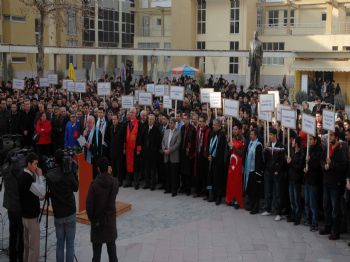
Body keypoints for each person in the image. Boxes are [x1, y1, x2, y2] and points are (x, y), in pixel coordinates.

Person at [46, 150, 79, 262]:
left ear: (55, 160)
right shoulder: (69, 174)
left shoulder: (50, 175)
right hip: (70, 213)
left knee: (59, 243)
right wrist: (74, 172)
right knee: (70, 243)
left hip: (58, 214)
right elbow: (76, 187)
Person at [86, 157, 119, 262]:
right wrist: (110, 174)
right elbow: (115, 191)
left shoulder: (94, 185)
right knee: (112, 253)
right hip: (110, 222)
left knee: (96, 254)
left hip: (97, 223)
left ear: (98, 169)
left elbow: (89, 206)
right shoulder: (114, 182)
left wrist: (92, 220)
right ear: (108, 168)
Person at [320, 128, 347, 240]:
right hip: (326, 182)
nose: (329, 137)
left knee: (335, 209)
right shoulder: (327, 148)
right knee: (326, 206)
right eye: (329, 135)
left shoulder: (340, 150)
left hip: (335, 184)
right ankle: (328, 226)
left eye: (331, 136)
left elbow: (343, 167)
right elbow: (322, 161)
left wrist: (331, 165)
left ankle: (335, 231)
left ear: (336, 137)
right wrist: (324, 166)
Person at [18, 153, 46, 262]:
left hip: (24, 215)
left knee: (27, 245)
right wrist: (40, 176)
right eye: (35, 164)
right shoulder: (27, 178)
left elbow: (30, 194)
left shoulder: (22, 175)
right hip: (31, 217)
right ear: (29, 164)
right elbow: (41, 192)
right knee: (34, 247)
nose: (36, 167)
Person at [262, 128, 286, 221]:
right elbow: (265, 159)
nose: (270, 137)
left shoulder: (281, 146)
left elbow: (282, 161)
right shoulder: (268, 146)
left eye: (271, 135)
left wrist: (277, 170)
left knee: (277, 193)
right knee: (268, 191)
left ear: (275, 135)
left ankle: (278, 212)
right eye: (269, 135)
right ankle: (268, 209)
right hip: (268, 172)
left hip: (276, 173)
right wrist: (265, 150)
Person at [304, 135, 322, 231]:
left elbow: (317, 165)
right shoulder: (309, 149)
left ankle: (315, 223)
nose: (309, 141)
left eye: (311, 139)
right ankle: (308, 219)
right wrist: (305, 166)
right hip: (307, 179)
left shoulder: (318, 150)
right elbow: (306, 163)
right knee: (307, 201)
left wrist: (309, 161)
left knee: (313, 203)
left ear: (315, 140)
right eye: (309, 139)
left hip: (314, 180)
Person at [244, 128, 264, 214]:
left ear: (256, 135)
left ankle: (256, 208)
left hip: (255, 170)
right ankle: (251, 205)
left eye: (252, 134)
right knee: (251, 190)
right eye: (250, 134)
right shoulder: (250, 143)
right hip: (249, 170)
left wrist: (257, 172)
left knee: (255, 191)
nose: (250, 136)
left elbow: (259, 160)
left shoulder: (258, 145)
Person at [206, 119, 227, 205]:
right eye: (213, 125)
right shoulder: (212, 134)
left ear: (219, 126)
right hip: (211, 160)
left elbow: (220, 149)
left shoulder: (222, 135)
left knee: (218, 179)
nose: (213, 126)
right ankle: (212, 195)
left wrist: (213, 157)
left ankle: (219, 197)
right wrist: (208, 154)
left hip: (218, 161)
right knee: (211, 178)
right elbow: (208, 145)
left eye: (214, 125)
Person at [286, 136, 305, 225]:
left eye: (293, 141)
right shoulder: (292, 152)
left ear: (296, 143)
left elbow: (299, 167)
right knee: (292, 199)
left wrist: (291, 162)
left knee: (297, 200)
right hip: (291, 179)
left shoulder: (301, 153)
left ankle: (298, 217)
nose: (292, 143)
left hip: (297, 179)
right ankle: (293, 215)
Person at [226, 122, 245, 208]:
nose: (234, 131)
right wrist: (229, 147)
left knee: (237, 182)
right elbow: (230, 152)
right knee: (231, 181)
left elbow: (241, 153)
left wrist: (233, 147)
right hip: (232, 163)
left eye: (236, 129)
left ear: (240, 130)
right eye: (233, 129)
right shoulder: (232, 138)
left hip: (239, 164)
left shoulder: (243, 140)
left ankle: (237, 200)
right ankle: (231, 199)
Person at [162, 117, 181, 196]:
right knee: (168, 173)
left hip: (174, 156)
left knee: (174, 174)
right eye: (169, 123)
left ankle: (174, 190)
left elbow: (178, 143)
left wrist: (170, 150)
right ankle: (168, 188)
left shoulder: (178, 132)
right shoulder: (166, 131)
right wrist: (164, 149)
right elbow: (162, 142)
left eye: (172, 123)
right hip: (166, 156)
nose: (170, 124)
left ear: (175, 124)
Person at [123, 107, 142, 189]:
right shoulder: (126, 123)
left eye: (133, 113)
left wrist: (138, 149)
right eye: (130, 112)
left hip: (135, 148)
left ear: (136, 114)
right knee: (128, 165)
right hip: (128, 148)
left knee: (136, 166)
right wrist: (124, 148)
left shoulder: (139, 124)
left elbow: (140, 137)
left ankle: (136, 182)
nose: (131, 114)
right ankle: (128, 181)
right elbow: (124, 137)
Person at [143, 114, 161, 190]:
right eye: (149, 119)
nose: (150, 121)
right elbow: (143, 139)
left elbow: (158, 142)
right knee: (146, 169)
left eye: (151, 119)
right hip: (146, 153)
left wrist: (154, 150)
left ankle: (153, 184)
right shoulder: (145, 128)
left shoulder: (156, 130)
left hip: (153, 153)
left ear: (154, 120)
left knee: (153, 170)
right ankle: (147, 183)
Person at [193, 114, 211, 198]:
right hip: (198, 154)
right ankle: (198, 191)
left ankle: (207, 192)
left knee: (205, 175)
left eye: (201, 121)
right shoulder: (198, 129)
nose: (199, 123)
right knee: (198, 174)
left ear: (205, 122)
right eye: (199, 121)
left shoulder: (208, 130)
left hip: (205, 156)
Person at [179, 113, 196, 195]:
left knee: (188, 171)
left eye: (186, 119)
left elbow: (193, 141)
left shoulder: (192, 129)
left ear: (189, 119)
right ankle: (183, 187)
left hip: (189, 152)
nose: (184, 120)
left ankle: (188, 188)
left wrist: (190, 150)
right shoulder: (182, 128)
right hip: (182, 152)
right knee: (182, 171)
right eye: (183, 119)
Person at [109, 114, 124, 183]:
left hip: (119, 150)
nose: (114, 121)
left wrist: (124, 148)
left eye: (115, 119)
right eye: (113, 119)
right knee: (113, 166)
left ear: (118, 119)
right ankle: (114, 180)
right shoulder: (111, 128)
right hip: (112, 150)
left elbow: (123, 139)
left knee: (119, 166)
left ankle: (119, 181)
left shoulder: (121, 127)